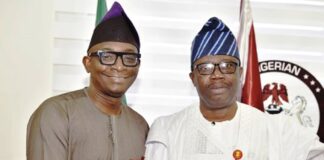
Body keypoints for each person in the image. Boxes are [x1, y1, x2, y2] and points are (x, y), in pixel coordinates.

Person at [145, 17, 324, 160]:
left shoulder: (278, 130)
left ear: (240, 73)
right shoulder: (167, 130)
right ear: (193, 78)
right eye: (205, 68)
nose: (217, 75)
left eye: (227, 66)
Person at [27, 2, 148, 160]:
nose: (119, 67)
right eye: (107, 57)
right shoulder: (57, 113)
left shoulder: (140, 126)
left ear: (138, 65)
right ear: (88, 63)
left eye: (129, 58)